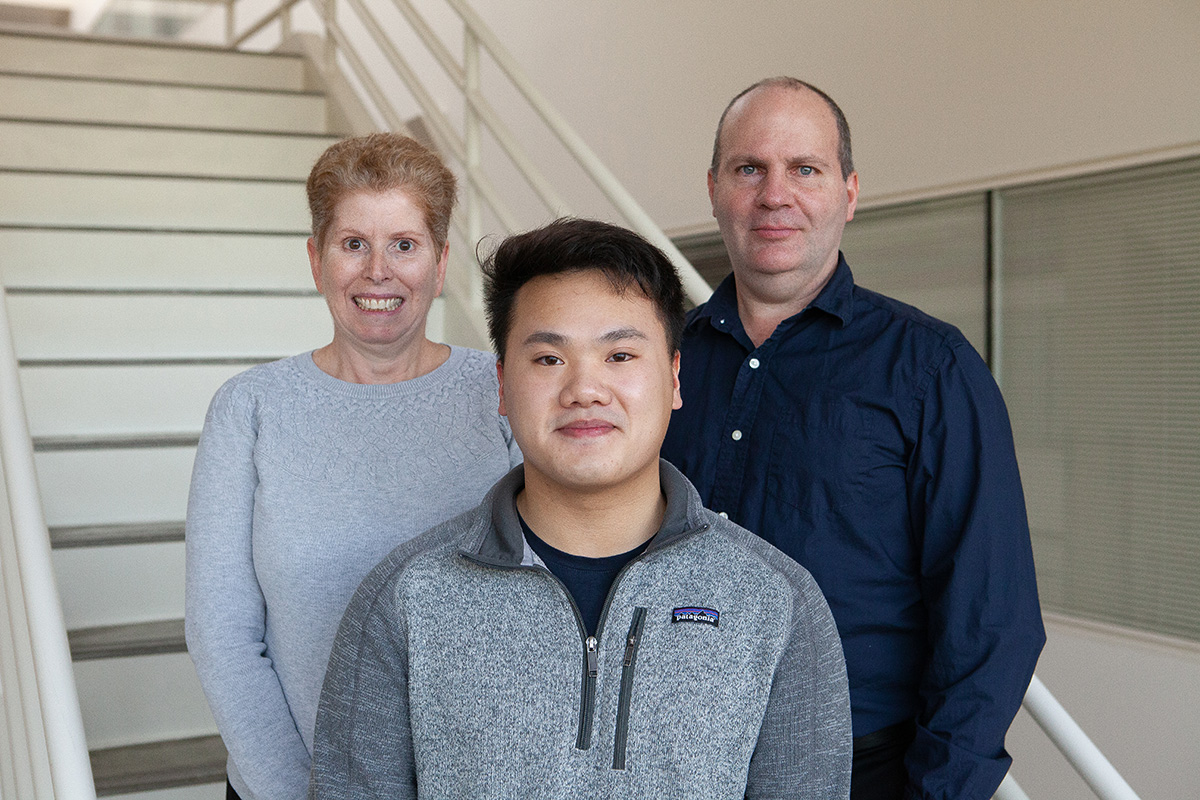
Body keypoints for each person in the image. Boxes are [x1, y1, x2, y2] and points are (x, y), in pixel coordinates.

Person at [308, 218, 852, 800]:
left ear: (673, 377)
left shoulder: (776, 602)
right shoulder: (405, 598)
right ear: (501, 385)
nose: (585, 389)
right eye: (547, 359)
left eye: (620, 354)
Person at [660, 77, 1046, 800]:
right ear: (714, 190)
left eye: (805, 168)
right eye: (750, 169)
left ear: (849, 191)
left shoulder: (931, 367)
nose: (776, 195)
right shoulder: (656, 362)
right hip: (668, 757)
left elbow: (990, 619)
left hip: (859, 770)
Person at [185, 132, 521, 800]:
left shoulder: (505, 392)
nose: (378, 271)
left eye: (403, 244)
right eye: (352, 244)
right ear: (316, 260)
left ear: (440, 259)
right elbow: (222, 635)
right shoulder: (250, 409)